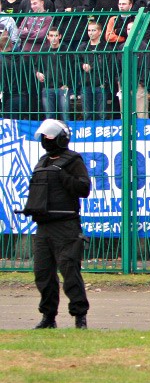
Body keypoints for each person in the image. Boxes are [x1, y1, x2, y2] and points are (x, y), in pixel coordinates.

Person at [24, 120, 91, 329]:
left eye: (50, 137)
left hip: (66, 226)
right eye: (45, 137)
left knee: (70, 271)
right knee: (43, 274)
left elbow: (83, 188)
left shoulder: (73, 160)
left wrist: (61, 175)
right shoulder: (42, 162)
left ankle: (79, 317)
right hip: (44, 227)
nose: (46, 140)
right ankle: (48, 317)